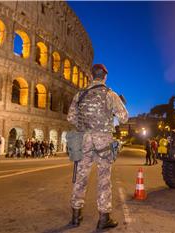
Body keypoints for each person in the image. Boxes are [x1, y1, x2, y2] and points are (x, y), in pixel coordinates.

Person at [67, 64, 128, 230]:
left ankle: (75, 216)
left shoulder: (80, 94)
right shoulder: (110, 94)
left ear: (91, 75)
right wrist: (118, 107)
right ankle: (103, 218)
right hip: (103, 141)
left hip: (84, 139)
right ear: (105, 76)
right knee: (103, 179)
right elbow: (124, 119)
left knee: (81, 177)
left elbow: (71, 117)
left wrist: (85, 126)